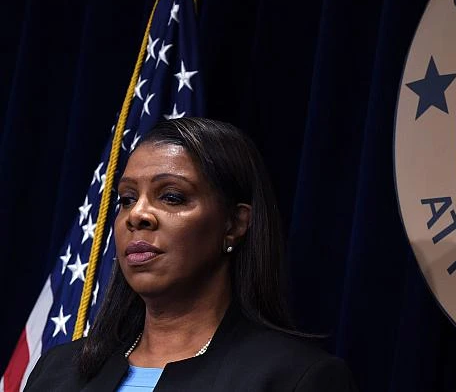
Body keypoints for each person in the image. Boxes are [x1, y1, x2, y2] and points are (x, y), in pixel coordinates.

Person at [24, 118, 356, 391]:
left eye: (171, 197)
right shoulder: (58, 371)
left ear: (234, 224)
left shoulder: (296, 378)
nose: (137, 215)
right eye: (126, 199)